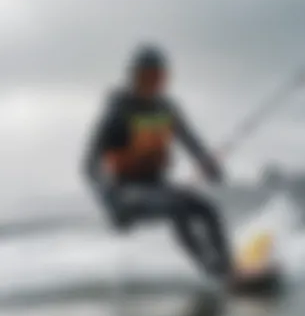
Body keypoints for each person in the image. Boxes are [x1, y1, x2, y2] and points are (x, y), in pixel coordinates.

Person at [82, 44, 232, 280]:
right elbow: (89, 164)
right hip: (126, 191)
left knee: (208, 210)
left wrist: (209, 165)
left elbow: (191, 141)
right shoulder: (118, 111)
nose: (152, 84)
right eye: (146, 77)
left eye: (158, 78)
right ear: (133, 78)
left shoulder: (167, 109)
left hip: (157, 186)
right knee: (177, 207)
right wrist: (109, 201)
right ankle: (212, 270)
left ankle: (227, 266)